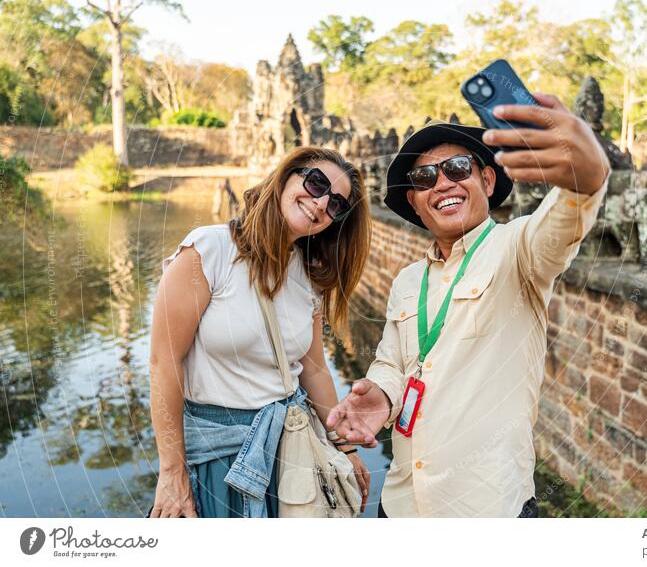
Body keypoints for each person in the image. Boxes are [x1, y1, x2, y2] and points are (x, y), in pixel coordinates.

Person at [327, 95, 610, 517]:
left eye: (457, 169)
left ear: (488, 182)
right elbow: (393, 362)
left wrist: (586, 172)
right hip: (402, 504)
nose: (442, 183)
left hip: (485, 508)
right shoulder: (408, 281)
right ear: (417, 205)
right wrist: (383, 396)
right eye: (424, 178)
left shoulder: (518, 252)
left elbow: (564, 220)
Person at [149, 146, 372, 518]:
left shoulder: (309, 275)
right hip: (219, 454)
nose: (320, 204)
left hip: (290, 450)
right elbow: (163, 362)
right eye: (316, 183)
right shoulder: (210, 249)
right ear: (287, 176)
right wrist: (171, 472)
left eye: (336, 204)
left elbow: (314, 369)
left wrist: (345, 447)